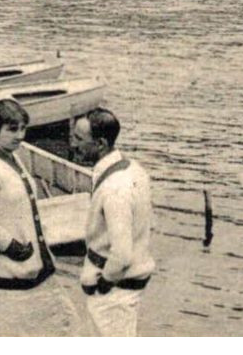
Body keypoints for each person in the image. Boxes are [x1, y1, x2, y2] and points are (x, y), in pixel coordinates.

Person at [0, 99, 79, 336]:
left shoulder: (14, 158)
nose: (19, 135)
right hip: (6, 271)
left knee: (57, 327)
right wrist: (15, 248)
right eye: (12, 129)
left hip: (34, 268)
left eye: (22, 128)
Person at [70, 109, 155, 337]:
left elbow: (121, 254)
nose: (73, 144)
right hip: (127, 283)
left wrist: (102, 284)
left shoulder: (114, 189)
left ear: (100, 143)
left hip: (114, 291)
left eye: (79, 139)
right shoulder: (132, 169)